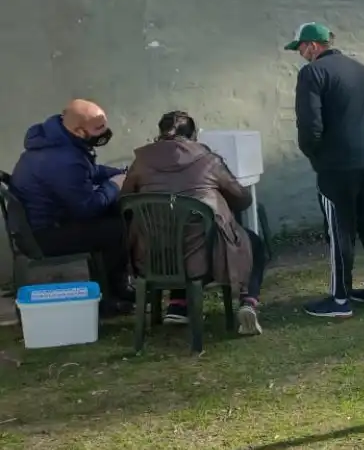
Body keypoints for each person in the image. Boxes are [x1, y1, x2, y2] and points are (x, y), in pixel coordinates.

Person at [286, 22, 364, 318]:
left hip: (336, 167)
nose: (299, 53)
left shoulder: (312, 73)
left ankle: (340, 300)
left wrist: (316, 158)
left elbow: (309, 126)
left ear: (313, 45)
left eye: (300, 47)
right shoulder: (362, 71)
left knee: (339, 231)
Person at [121, 111, 267, 335]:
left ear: (159, 133)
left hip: (152, 259)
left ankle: (178, 305)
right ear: (194, 135)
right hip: (207, 261)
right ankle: (248, 302)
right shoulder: (208, 160)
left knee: (175, 232)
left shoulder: (141, 161)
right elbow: (242, 199)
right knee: (251, 242)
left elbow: (125, 201)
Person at [9, 99, 132, 314]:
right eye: (98, 129)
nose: (104, 132)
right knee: (116, 230)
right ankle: (109, 297)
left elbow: (89, 170)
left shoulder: (58, 141)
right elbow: (88, 208)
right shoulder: (62, 159)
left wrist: (119, 173)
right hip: (44, 236)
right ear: (79, 130)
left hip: (42, 225)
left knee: (113, 214)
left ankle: (116, 288)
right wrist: (115, 185)